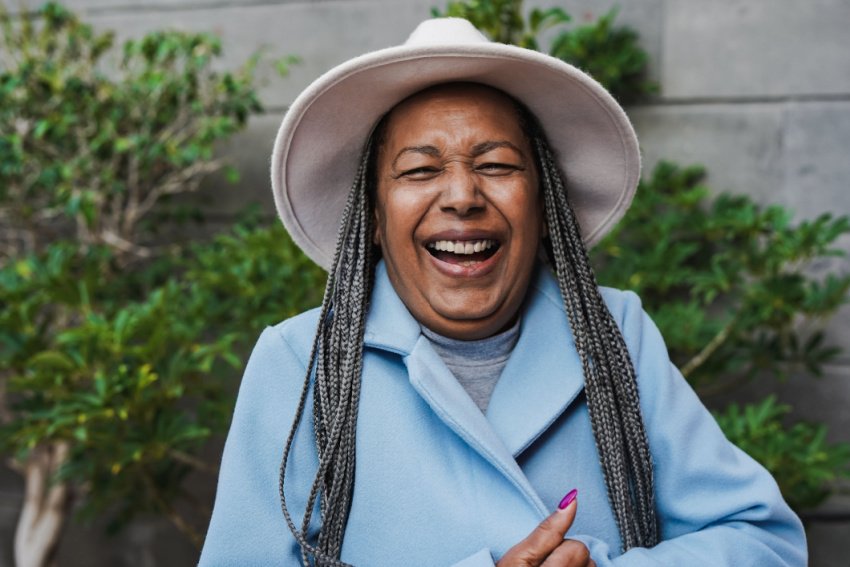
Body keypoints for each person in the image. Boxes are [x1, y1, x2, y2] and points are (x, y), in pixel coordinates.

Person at [199, 18, 807, 566]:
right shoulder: (300, 361)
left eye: (496, 165)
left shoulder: (615, 331)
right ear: (375, 220)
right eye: (420, 169)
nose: (463, 195)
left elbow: (763, 541)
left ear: (543, 206)